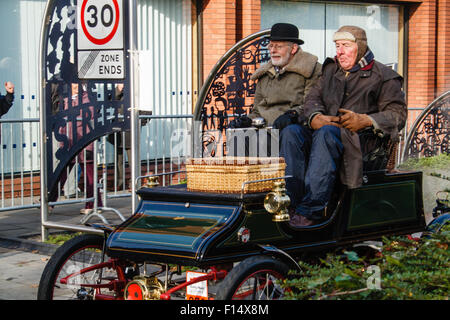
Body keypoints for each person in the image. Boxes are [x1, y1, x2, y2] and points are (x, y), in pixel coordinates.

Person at [280, 25, 407, 227]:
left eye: (345, 46)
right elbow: (312, 99)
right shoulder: (330, 71)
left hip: (363, 146)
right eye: (337, 46)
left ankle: (311, 210)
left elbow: (398, 115)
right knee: (291, 132)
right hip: (327, 138)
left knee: (327, 133)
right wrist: (314, 117)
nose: (339, 52)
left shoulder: (384, 76)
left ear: (360, 47)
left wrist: (365, 120)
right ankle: (290, 205)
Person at [229, 23, 321, 130]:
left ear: (293, 49)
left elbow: (310, 106)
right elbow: (257, 111)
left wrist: (292, 115)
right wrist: (248, 120)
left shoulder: (310, 69)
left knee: (291, 132)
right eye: (271, 46)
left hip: (295, 131)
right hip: (266, 131)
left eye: (278, 46)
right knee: (239, 137)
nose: (272, 51)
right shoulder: (265, 74)